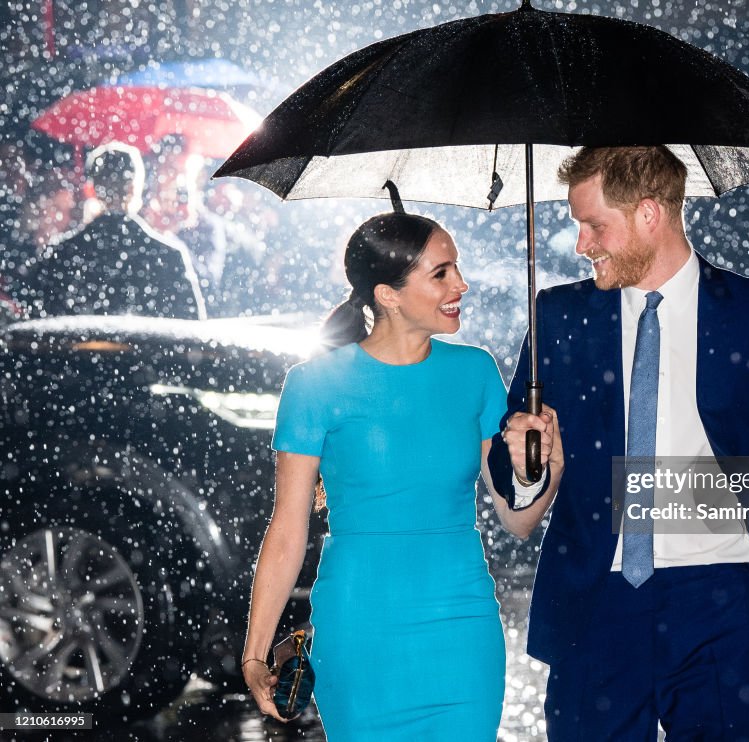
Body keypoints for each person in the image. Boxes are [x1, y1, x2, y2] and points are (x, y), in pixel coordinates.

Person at [488, 146, 749, 741]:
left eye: (594, 225)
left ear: (650, 214)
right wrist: (524, 466)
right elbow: (511, 455)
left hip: (720, 602)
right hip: (596, 604)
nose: (580, 245)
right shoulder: (560, 315)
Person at [240, 212, 559, 739]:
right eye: (441, 273)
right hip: (359, 627)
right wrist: (255, 653)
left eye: (456, 268)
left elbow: (517, 520)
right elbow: (288, 529)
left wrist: (539, 471)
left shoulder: (476, 371)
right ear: (388, 294)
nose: (462, 284)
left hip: (463, 626)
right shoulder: (313, 385)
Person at [28, 142, 205, 320]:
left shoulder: (61, 253)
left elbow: (38, 323)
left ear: (93, 190)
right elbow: (191, 330)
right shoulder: (167, 256)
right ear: (136, 188)